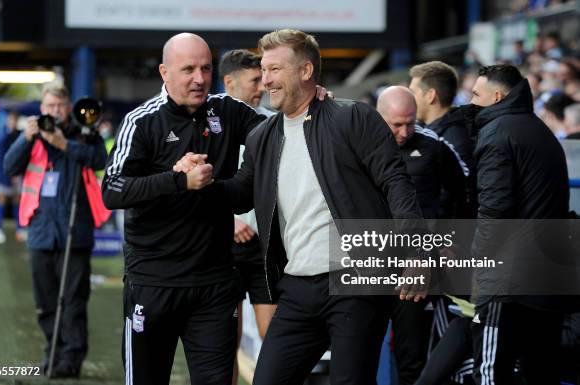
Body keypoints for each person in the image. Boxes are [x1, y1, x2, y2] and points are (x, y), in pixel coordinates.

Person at [176, 28, 427, 385]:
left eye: (275, 69)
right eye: (264, 70)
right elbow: (240, 194)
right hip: (296, 287)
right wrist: (202, 182)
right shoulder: (262, 135)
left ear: (306, 71)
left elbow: (396, 183)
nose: (266, 80)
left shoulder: (353, 117)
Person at [101, 33, 267, 385]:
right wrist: (176, 179)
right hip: (153, 283)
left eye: (205, 68)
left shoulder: (228, 111)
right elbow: (112, 191)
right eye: (188, 69)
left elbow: (277, 135)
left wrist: (316, 102)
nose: (199, 78)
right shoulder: (141, 121)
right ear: (164, 72)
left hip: (214, 285)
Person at [469, 64, 570, 384]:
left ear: (496, 96)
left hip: (508, 281)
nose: (471, 101)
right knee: (541, 371)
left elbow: (495, 211)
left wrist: (478, 260)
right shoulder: (539, 130)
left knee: (490, 371)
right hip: (550, 276)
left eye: (475, 94)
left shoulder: (498, 135)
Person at [3, 83, 108, 377]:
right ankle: (52, 352)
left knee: (73, 300)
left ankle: (71, 360)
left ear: (68, 107)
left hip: (75, 230)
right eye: (49, 106)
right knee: (45, 300)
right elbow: (9, 167)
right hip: (41, 231)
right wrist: (26, 137)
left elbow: (100, 159)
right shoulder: (32, 137)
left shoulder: (84, 131)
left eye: (59, 106)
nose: (54, 112)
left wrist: (65, 144)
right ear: (41, 109)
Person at [376, 86, 467, 385]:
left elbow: (464, 191)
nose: (404, 132)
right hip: (369, 261)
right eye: (396, 124)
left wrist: (448, 240)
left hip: (416, 264)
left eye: (410, 123)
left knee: (411, 354)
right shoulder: (358, 144)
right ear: (379, 117)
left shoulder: (433, 145)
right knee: (358, 349)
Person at [219, 49, 277, 383]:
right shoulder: (210, 125)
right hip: (225, 248)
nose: (263, 86)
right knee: (226, 341)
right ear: (230, 81)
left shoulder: (271, 122)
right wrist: (226, 221)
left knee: (278, 339)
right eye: (256, 79)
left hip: (268, 248)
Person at [409, 61, 476, 218]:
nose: (409, 99)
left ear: (430, 95)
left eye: (413, 93)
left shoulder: (454, 138)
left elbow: (459, 195)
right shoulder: (432, 131)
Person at [0, 110, 24, 243]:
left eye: (15, 120)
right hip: (4, 177)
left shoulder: (21, 137)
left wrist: (18, 173)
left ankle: (19, 229)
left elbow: (23, 157)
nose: (13, 123)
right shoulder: (2, 138)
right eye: (11, 120)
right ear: (7, 121)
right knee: (1, 201)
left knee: (18, 203)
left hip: (17, 177)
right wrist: (7, 176)